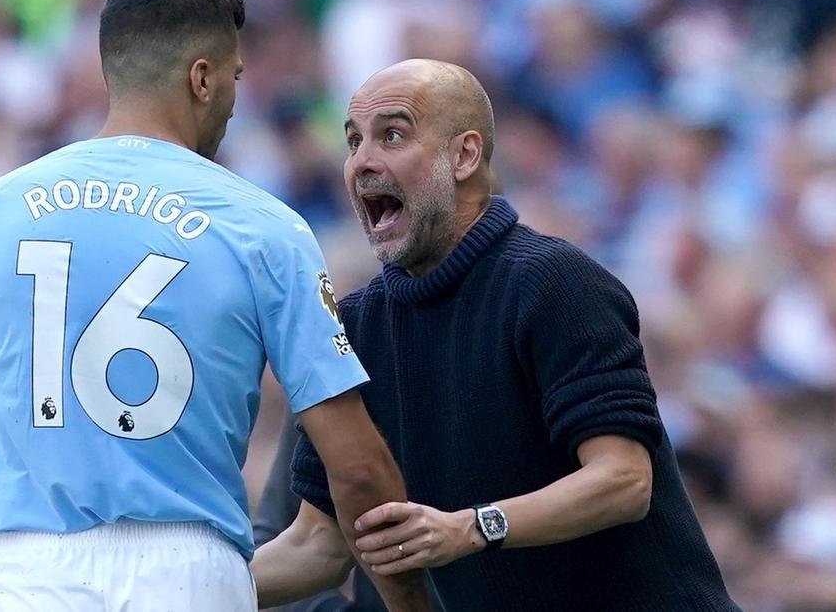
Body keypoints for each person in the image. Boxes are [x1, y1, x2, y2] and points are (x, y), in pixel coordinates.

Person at [0, 0, 428, 612]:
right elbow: (360, 470)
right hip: (185, 572)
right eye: (232, 78)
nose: (233, 98)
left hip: (21, 573)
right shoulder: (263, 226)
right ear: (201, 78)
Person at [251, 59, 740, 611]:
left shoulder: (555, 282)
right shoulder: (357, 325)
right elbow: (317, 544)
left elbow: (624, 482)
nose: (362, 161)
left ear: (464, 155)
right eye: (352, 141)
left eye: (392, 135)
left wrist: (471, 528)